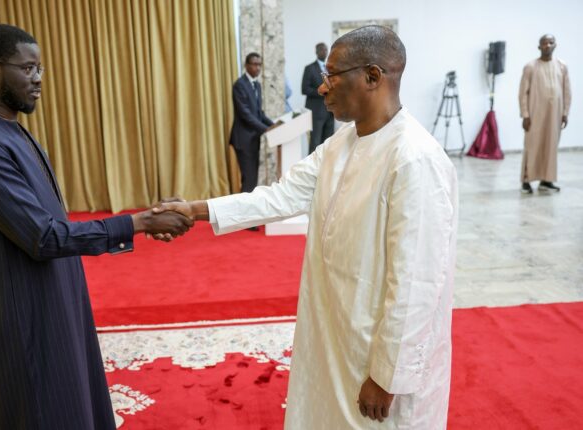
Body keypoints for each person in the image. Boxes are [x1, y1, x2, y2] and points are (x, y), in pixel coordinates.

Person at [155, 26, 458, 429]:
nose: (322, 87)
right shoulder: (340, 144)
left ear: (372, 76)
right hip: (336, 331)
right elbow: (278, 197)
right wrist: (194, 210)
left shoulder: (414, 159)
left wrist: (389, 376)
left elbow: (417, 283)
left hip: (378, 354)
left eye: (332, 76)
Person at [0, 24, 192, 429]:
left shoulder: (11, 133)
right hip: (25, 319)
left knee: (78, 407)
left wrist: (143, 221)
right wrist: (138, 222)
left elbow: (50, 225)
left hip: (55, 302)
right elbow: (44, 236)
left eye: (40, 68)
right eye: (28, 68)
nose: (38, 79)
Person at [519, 34, 571, 193]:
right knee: (532, 145)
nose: (547, 45)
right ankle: (526, 180)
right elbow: (523, 93)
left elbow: (566, 91)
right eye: (544, 43)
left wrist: (565, 112)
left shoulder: (562, 66)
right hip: (535, 114)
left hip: (555, 115)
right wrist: (525, 115)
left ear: (555, 45)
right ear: (539, 46)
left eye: (551, 42)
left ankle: (546, 180)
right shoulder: (530, 67)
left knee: (551, 146)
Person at [230, 52, 281, 193]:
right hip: (243, 139)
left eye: (259, 65)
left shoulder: (257, 85)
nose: (257, 68)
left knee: (252, 178)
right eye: (254, 64)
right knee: (249, 178)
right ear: (246, 65)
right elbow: (245, 114)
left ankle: (248, 204)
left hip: (253, 138)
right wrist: (266, 129)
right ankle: (243, 206)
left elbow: (259, 113)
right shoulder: (239, 85)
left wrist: (273, 125)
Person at [302, 42, 335, 154]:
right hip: (316, 113)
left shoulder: (330, 69)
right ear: (316, 52)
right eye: (321, 50)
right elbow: (304, 89)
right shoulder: (309, 68)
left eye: (326, 50)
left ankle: (326, 165)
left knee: (328, 143)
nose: (324, 52)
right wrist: (320, 91)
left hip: (330, 112)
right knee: (315, 143)